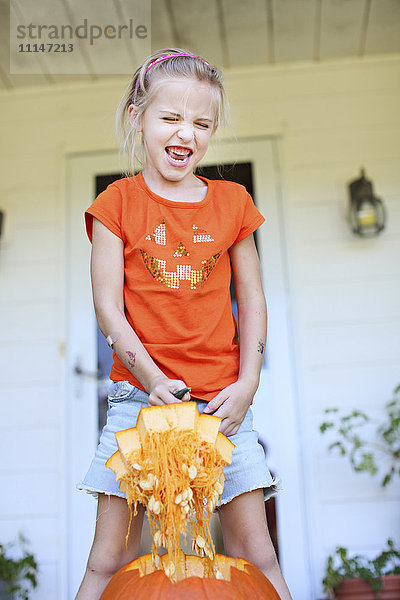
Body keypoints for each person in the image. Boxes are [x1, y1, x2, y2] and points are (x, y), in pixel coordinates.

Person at [75, 48, 293, 600]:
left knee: (256, 553)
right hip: (139, 405)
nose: (185, 134)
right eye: (170, 117)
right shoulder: (116, 204)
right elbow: (108, 309)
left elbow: (254, 299)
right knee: (110, 560)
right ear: (138, 117)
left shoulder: (233, 203)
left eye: (202, 123)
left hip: (224, 407)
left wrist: (247, 385)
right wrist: (151, 381)